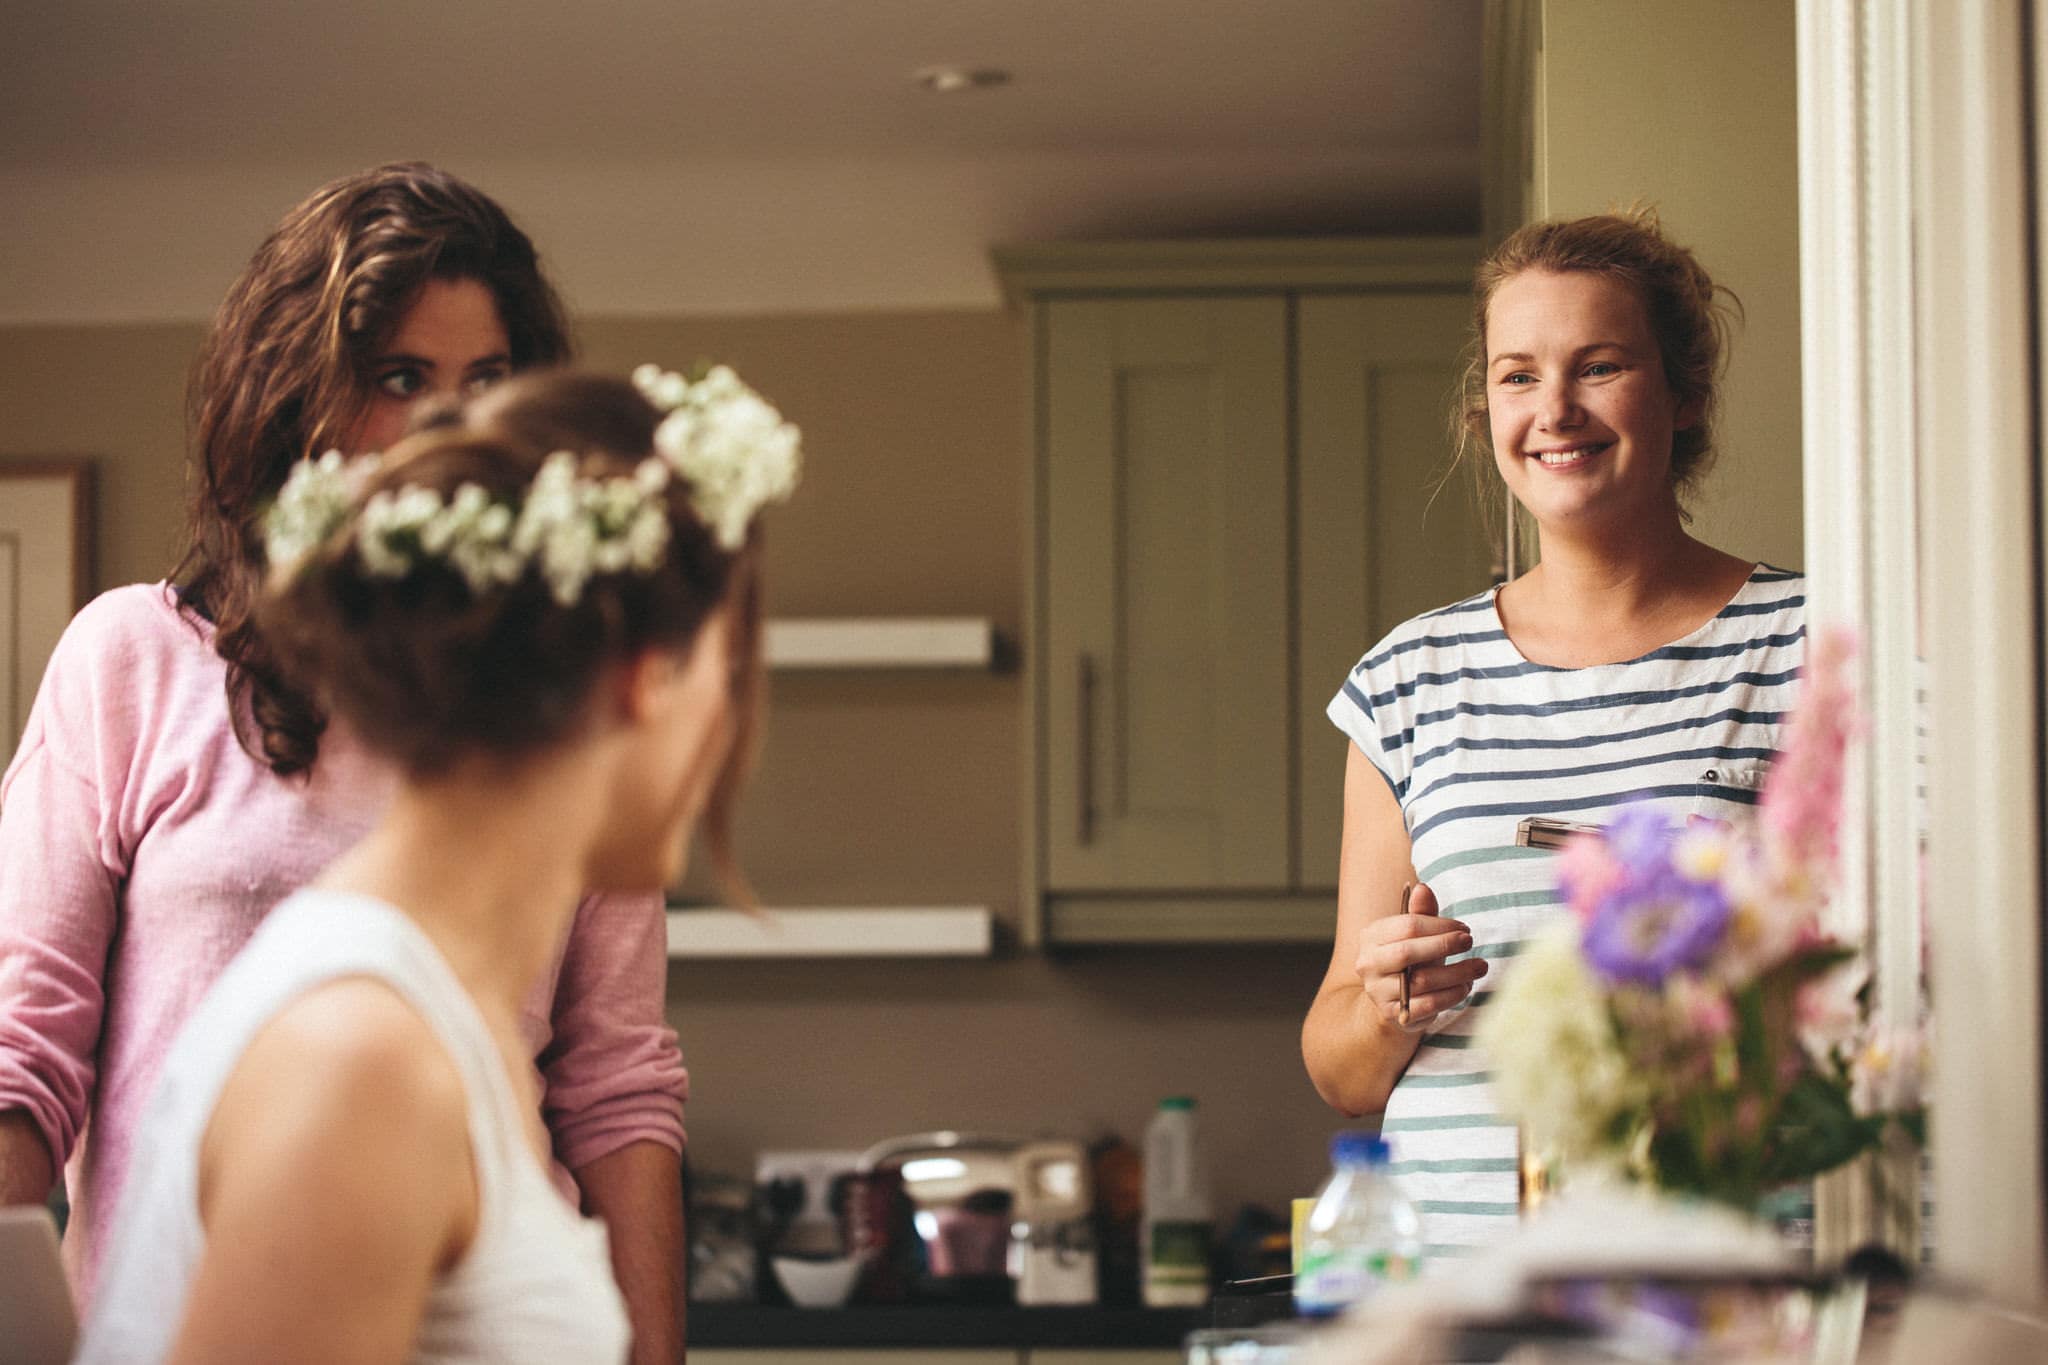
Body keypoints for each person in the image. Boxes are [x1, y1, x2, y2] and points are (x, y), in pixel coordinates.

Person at [0, 164, 692, 1359]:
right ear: (295, 402)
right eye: (399, 379)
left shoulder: (562, 708)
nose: (448, 426)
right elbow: (23, 1048)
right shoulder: (133, 661)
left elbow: (618, 1089)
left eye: (486, 382)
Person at [76, 362, 797, 1361]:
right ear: (647, 679)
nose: (728, 734)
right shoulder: (365, 1064)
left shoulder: (432, 1014)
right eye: (725, 675)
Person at [1300, 210, 1806, 1255]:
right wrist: (1388, 1004)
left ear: (1683, 394)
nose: (1554, 410)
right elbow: (1339, 1072)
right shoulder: (1408, 681)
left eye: (1600, 365)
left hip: (1722, 1286)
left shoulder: (1809, 646)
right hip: (1465, 1292)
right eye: (1517, 374)